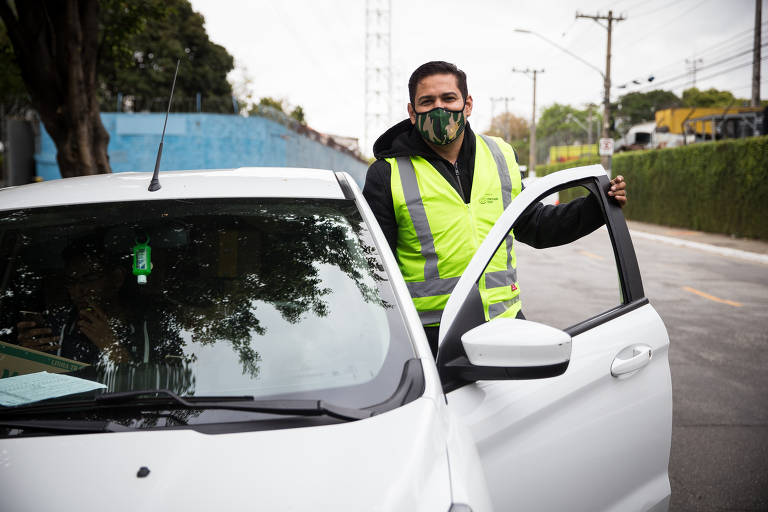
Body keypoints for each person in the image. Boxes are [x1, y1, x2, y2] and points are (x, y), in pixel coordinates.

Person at [363, 61, 627, 355]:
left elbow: (536, 226)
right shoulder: (387, 174)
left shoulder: (501, 156)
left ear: (468, 104)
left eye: (448, 98)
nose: (439, 109)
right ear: (412, 113)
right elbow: (374, 269)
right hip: (430, 337)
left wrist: (597, 206)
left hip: (504, 325)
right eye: (427, 102)